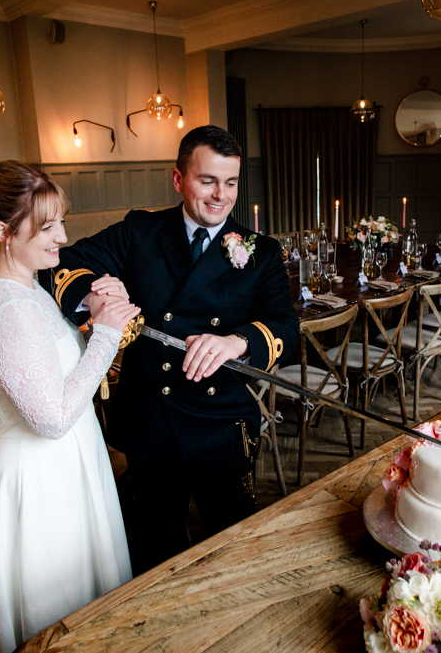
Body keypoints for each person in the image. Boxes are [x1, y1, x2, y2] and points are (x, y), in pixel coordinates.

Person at [39, 126, 298, 572]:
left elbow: (285, 328)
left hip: (220, 424)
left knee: (230, 541)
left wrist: (237, 341)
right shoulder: (140, 230)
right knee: (156, 544)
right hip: (150, 421)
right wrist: (96, 297)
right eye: (208, 181)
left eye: (231, 182)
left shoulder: (259, 251)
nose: (221, 196)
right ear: (178, 179)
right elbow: (61, 263)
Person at [0, 158, 140, 653]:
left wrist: (92, 310)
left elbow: (48, 365)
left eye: (61, 221)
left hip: (60, 467)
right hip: (39, 485)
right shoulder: (10, 308)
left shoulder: (23, 288)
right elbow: (53, 417)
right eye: (46, 226)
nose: (62, 237)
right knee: (55, 622)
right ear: (3, 231)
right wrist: (105, 335)